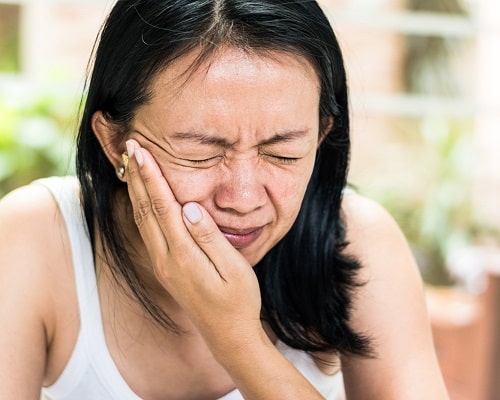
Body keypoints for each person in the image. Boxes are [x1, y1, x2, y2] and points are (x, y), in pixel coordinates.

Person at [0, 1, 449, 399]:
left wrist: (236, 338)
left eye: (282, 152)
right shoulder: (36, 238)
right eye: (201, 152)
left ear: (322, 136)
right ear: (115, 140)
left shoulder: (359, 242)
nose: (243, 197)